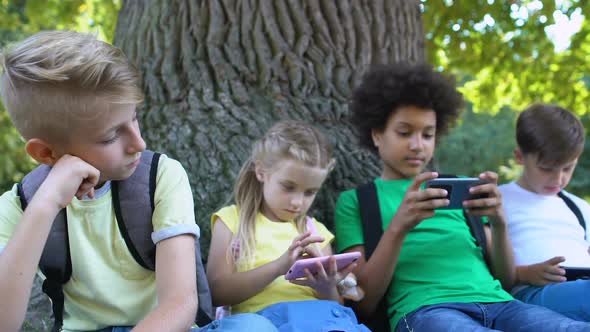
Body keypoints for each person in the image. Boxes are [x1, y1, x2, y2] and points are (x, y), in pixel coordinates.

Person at [0, 30, 275, 332]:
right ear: (46, 152)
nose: (139, 143)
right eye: (111, 135)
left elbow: (180, 303)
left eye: (134, 117)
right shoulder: (18, 206)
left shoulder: (162, 176)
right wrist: (45, 203)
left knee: (251, 327)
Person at [334, 62, 590, 331]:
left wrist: (499, 221)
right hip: (427, 309)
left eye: (428, 134)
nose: (417, 145)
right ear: (376, 134)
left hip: (500, 303)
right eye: (404, 132)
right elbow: (362, 301)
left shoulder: (458, 189)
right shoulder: (358, 201)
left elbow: (506, 279)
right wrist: (399, 226)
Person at [206, 120, 370, 331]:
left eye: (310, 192)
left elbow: (335, 308)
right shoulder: (232, 220)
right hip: (262, 322)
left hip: (318, 321)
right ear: (261, 172)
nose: (297, 202)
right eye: (288, 187)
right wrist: (278, 268)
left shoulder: (315, 231)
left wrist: (326, 286)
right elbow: (216, 292)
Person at [499, 103, 590, 321]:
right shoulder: (497, 199)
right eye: (547, 169)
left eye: (568, 168)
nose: (558, 179)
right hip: (531, 293)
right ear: (520, 157)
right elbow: (485, 263)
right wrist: (525, 273)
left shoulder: (578, 207)